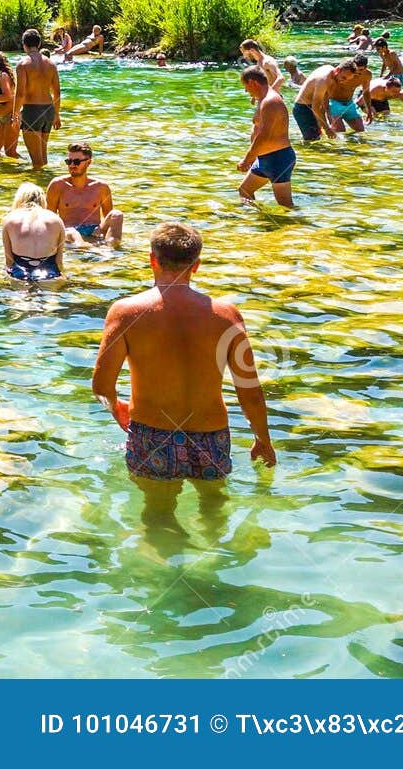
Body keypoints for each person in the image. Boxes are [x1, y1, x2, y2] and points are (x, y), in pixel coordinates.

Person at [91, 223, 275, 500]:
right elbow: (249, 392)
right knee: (214, 512)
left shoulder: (126, 313)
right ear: (196, 265)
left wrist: (117, 409)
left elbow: (102, 387)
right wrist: (263, 440)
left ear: (152, 259)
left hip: (151, 436)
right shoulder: (227, 316)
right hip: (211, 437)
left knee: (156, 516)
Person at [237, 66, 296, 209]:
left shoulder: (270, 101)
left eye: (246, 87)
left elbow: (264, 135)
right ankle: (260, 222)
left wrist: (248, 159)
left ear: (253, 83)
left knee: (286, 206)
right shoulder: (263, 99)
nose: (246, 91)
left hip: (278, 159)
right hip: (264, 158)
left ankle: (299, 228)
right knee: (245, 191)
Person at [46, 142, 124, 246]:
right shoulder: (58, 185)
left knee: (117, 215)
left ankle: (111, 250)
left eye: (76, 162)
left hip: (95, 231)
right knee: (72, 233)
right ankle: (93, 249)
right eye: (69, 161)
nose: (72, 165)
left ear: (88, 163)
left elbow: (108, 221)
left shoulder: (101, 187)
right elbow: (47, 219)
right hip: (69, 233)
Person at [13, 29, 61, 168]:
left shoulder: (22, 64)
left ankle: (40, 188)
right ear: (39, 44)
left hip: (32, 111)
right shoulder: (51, 65)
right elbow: (57, 93)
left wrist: (15, 114)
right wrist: (56, 115)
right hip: (48, 111)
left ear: (24, 45)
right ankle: (48, 187)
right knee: (43, 159)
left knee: (37, 162)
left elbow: (20, 93)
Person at [1, 183, 66, 282]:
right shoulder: (56, 220)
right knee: (51, 296)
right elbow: (59, 262)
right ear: (42, 199)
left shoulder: (10, 219)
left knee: (16, 296)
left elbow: (9, 261)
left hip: (20, 273)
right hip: (49, 272)